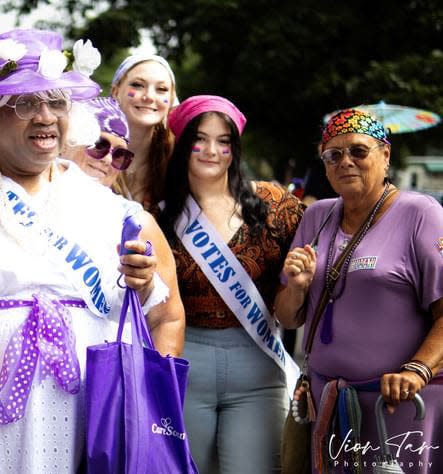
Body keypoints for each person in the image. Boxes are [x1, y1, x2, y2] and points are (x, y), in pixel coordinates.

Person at [0, 28, 186, 473]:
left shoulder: (113, 211)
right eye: (24, 103)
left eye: (56, 103)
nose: (45, 117)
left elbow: (166, 314)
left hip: (91, 419)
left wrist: (148, 405)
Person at [275, 109, 443, 471]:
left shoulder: (421, 214)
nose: (345, 162)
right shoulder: (316, 216)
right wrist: (298, 288)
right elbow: (287, 317)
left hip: (400, 407)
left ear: (385, 155)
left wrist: (417, 371)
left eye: (358, 151)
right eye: (333, 155)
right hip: (330, 405)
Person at [156, 95, 305, 473]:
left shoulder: (273, 203)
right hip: (186, 362)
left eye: (224, 141)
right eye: (199, 139)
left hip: (257, 365)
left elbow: (326, 237)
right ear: (182, 141)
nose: (211, 150)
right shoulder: (158, 212)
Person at [110, 54, 179, 209]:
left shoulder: (179, 160)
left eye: (161, 89)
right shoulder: (90, 151)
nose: (149, 97)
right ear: (115, 92)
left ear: (171, 100)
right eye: (137, 85)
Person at [64, 96, 134, 193]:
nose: (108, 160)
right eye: (98, 145)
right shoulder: (38, 198)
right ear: (65, 145)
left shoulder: (122, 208)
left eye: (119, 154)